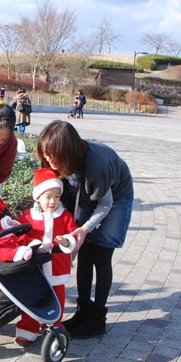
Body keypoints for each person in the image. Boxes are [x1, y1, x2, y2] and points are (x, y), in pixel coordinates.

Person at [36, 120, 133, 339]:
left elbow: (105, 204)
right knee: (85, 253)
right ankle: (83, 311)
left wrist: (85, 228)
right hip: (88, 190)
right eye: (46, 155)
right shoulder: (58, 161)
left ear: (66, 151)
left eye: (53, 156)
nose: (49, 161)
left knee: (101, 253)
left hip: (115, 197)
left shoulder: (97, 164)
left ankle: (97, 317)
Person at [0, 168, 78, 346]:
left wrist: (67, 241)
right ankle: (28, 328)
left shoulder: (64, 216)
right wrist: (15, 227)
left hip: (57, 267)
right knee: (32, 297)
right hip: (35, 267)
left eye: (57, 197)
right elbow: (19, 232)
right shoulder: (29, 216)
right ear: (37, 197)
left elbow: (73, 234)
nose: (53, 201)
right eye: (48, 197)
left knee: (57, 299)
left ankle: (54, 326)